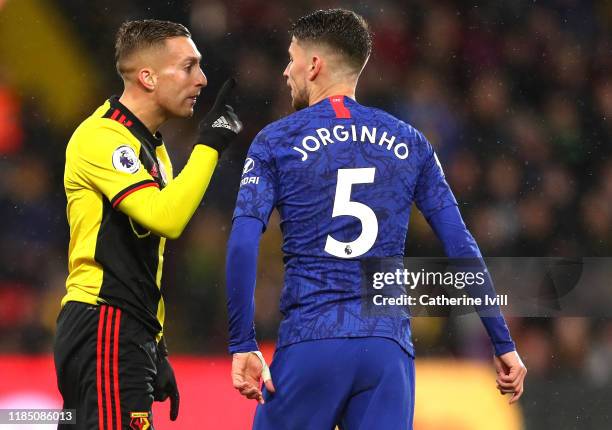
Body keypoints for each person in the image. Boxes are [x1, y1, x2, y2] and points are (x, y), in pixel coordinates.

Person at [225, 8, 526, 430]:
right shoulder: (411, 141)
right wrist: (502, 340)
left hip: (313, 340)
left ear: (314, 65)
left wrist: (242, 342)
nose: (285, 70)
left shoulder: (277, 141)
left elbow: (242, 241)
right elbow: (461, 246)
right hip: (387, 351)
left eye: (291, 58)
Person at [54, 19, 242, 430]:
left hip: (125, 328)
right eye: (189, 67)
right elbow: (167, 218)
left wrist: (156, 346)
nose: (202, 79)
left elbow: (144, 257)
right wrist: (209, 145)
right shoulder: (102, 138)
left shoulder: (152, 148)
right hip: (103, 323)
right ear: (148, 77)